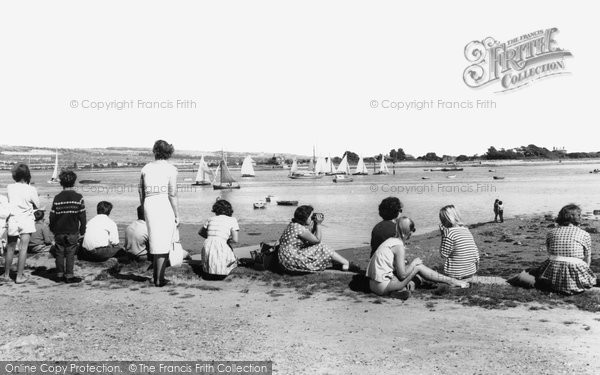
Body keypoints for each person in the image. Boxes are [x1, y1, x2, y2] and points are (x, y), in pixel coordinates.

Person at [367, 217, 469, 296]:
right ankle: (452, 281)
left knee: (414, 275)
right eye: (412, 230)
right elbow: (402, 275)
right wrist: (414, 263)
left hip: (373, 285)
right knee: (418, 267)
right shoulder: (398, 246)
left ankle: (397, 292)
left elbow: (395, 270)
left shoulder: (389, 241)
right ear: (408, 232)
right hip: (383, 286)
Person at [524, 204, 596, 295]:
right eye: (579, 215)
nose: (580, 217)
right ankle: (576, 283)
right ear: (573, 217)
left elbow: (550, 253)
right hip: (574, 272)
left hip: (553, 275)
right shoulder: (584, 234)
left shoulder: (551, 232)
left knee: (539, 267)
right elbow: (587, 257)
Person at [139, 140, 179, 287]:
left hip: (149, 203)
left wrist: (144, 207)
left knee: (155, 241)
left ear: (155, 151)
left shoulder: (145, 168)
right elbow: (172, 194)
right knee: (162, 243)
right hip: (163, 203)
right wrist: (176, 214)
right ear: (169, 152)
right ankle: (159, 279)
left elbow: (141, 191)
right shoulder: (171, 169)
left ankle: (156, 276)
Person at [278, 205, 350, 273]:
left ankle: (336, 261)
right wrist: (318, 224)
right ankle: (345, 262)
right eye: (311, 216)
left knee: (315, 247)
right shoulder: (300, 229)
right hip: (291, 259)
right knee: (321, 246)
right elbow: (317, 240)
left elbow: (310, 239)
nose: (312, 218)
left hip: (285, 259)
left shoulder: (293, 225)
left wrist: (314, 224)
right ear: (305, 218)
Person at [2, 163, 40, 284]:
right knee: (23, 249)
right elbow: (37, 205)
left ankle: (6, 274)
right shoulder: (31, 189)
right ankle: (19, 276)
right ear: (27, 175)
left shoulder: (10, 187)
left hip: (13, 219)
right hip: (26, 220)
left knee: (10, 248)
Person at [49, 170, 87, 283]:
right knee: (70, 253)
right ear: (74, 182)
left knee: (59, 253)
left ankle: (60, 274)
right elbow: (82, 216)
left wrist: (52, 228)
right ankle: (69, 275)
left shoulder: (57, 198)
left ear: (61, 183)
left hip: (59, 231)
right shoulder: (78, 197)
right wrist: (82, 229)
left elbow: (52, 216)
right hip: (72, 231)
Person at [198, 199, 239, 280]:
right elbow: (235, 240)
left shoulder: (210, 219)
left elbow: (200, 232)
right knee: (233, 259)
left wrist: (212, 237)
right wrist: (225, 240)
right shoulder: (232, 220)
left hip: (207, 245)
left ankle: (210, 270)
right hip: (221, 246)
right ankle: (223, 270)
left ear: (215, 210)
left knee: (212, 260)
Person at [438, 205, 480, 280]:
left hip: (455, 273)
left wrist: (442, 235)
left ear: (447, 219)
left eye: (442, 219)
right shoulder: (466, 230)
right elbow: (475, 251)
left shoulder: (449, 232)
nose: (441, 221)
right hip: (471, 271)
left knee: (434, 273)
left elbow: (443, 254)